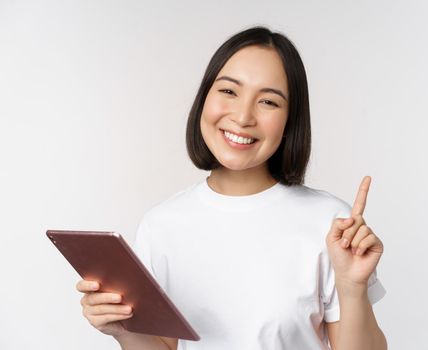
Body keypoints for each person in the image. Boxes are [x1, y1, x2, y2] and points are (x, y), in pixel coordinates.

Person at [76, 25, 387, 350]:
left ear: (289, 121)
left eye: (268, 101)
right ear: (204, 98)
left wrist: (352, 289)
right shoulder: (162, 225)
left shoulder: (331, 224)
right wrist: (123, 329)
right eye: (228, 91)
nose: (242, 116)